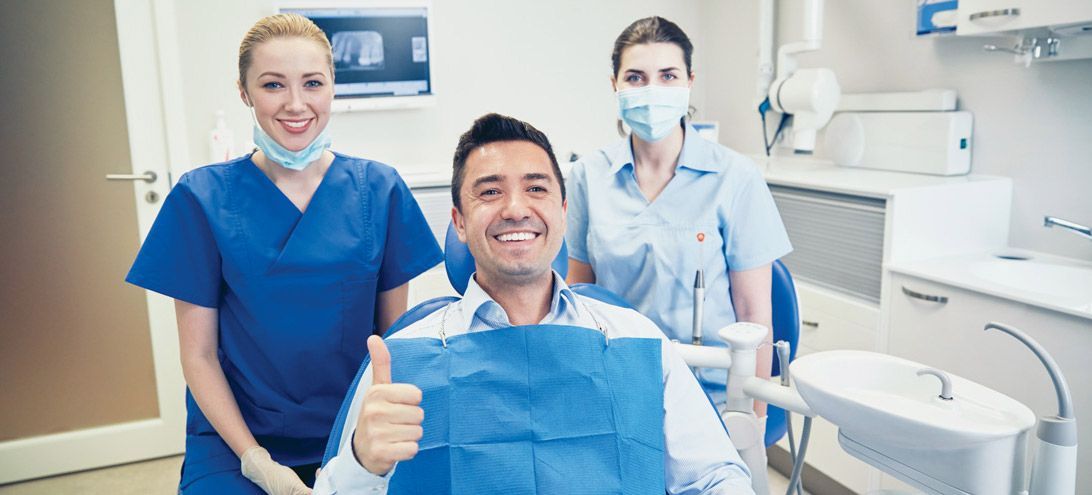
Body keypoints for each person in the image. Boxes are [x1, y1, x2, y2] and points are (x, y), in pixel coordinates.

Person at [315, 113, 755, 494]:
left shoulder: (638, 341)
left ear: (563, 212)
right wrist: (361, 463)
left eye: (536, 188)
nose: (514, 208)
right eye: (489, 192)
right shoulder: (402, 361)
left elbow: (716, 476)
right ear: (460, 223)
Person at [125, 14, 443, 494]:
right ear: (244, 92)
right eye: (273, 85)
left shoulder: (379, 191)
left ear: (333, 86)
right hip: (236, 435)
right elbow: (200, 356)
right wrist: (255, 460)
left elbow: (388, 345)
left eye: (312, 83)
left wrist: (363, 444)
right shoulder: (201, 197)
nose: (296, 104)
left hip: (352, 424)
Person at [565, 16, 792, 415]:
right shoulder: (588, 176)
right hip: (617, 384)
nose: (651, 89)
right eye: (635, 77)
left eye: (667, 76)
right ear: (614, 85)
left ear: (689, 81)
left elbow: (755, 314)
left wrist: (752, 418)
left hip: (714, 389)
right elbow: (580, 294)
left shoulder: (734, 177)